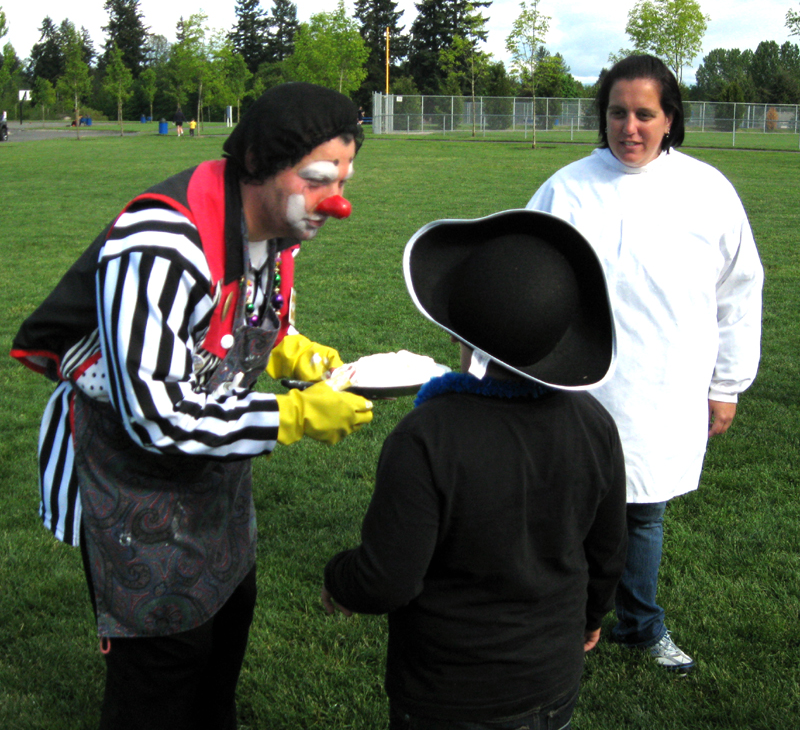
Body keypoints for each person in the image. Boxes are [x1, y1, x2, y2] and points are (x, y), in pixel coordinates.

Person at [11, 82, 374, 730]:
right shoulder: (159, 243)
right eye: (319, 179)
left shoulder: (275, 228)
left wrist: (289, 349)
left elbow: (236, 317)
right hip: (133, 484)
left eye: (343, 180)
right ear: (259, 163)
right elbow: (156, 416)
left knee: (223, 639)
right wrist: (289, 418)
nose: (338, 201)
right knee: (159, 676)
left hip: (214, 478)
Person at [323, 210, 628, 729]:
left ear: (456, 334)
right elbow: (607, 549)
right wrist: (592, 615)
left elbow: (387, 578)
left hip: (450, 696)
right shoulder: (595, 424)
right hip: (553, 680)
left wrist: (339, 579)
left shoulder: (427, 437)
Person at [526, 54, 764, 672]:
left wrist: (727, 384)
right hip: (576, 384)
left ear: (670, 119)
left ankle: (639, 623)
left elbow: (739, 290)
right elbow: (526, 276)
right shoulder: (567, 188)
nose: (628, 127)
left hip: (665, 382)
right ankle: (564, 623)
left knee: (643, 512)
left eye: (644, 114)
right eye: (616, 113)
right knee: (567, 512)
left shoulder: (707, 191)